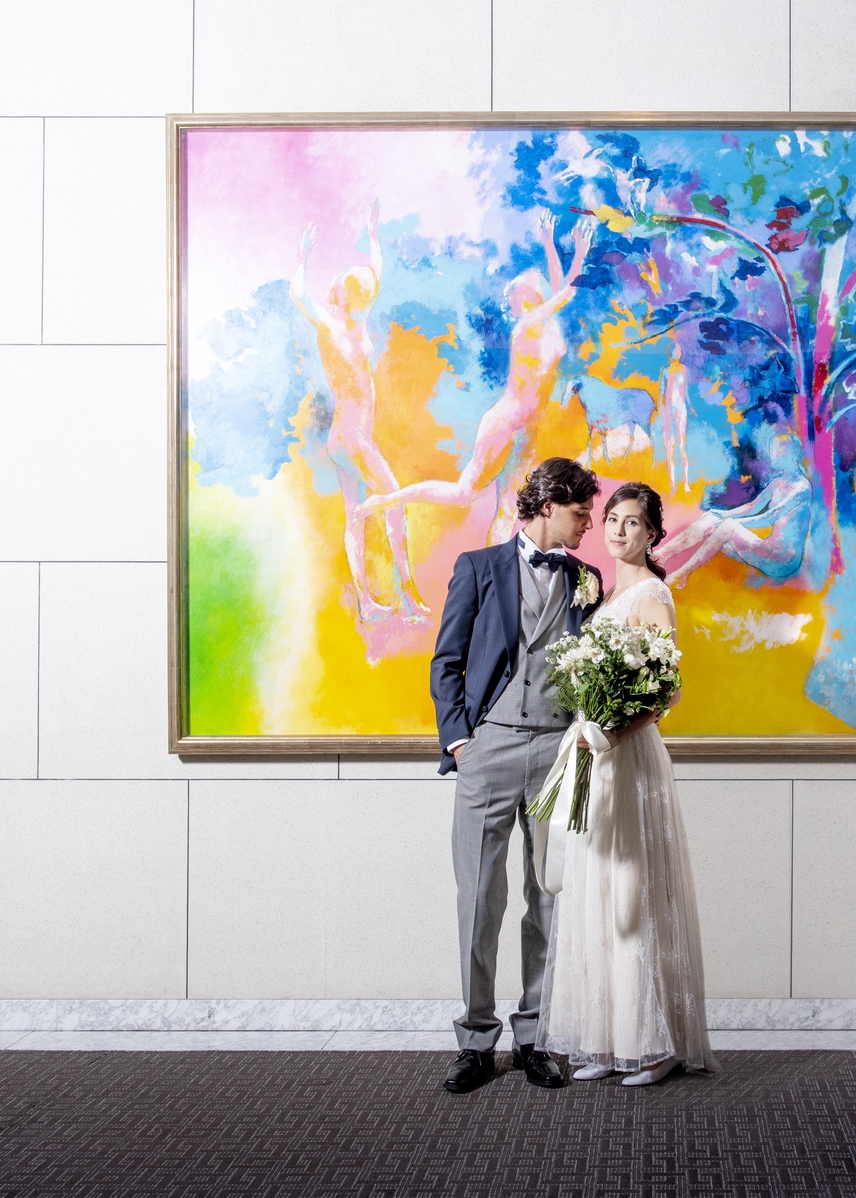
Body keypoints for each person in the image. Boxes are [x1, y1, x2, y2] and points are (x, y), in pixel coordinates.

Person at [430, 457, 606, 1095]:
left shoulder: (587, 580)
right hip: (489, 749)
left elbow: (594, 662)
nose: (589, 524)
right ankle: (476, 1040)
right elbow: (447, 660)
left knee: (549, 897)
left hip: (561, 751)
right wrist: (461, 742)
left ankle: (535, 1036)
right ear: (548, 505)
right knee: (480, 897)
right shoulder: (478, 568)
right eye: (581, 512)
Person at [541, 482, 719, 1086]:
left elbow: (666, 692)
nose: (618, 530)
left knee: (631, 894)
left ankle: (654, 1045)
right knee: (593, 891)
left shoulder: (652, 595)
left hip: (628, 759)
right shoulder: (602, 596)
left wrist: (612, 733)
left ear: (652, 534)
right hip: (593, 756)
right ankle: (604, 1039)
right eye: (612, 519)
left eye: (633, 522)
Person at [358, 212, 598, 545]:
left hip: (527, 430)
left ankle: (498, 574)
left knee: (509, 510)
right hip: (505, 422)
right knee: (463, 493)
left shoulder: (549, 324)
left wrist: (548, 242)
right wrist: (581, 253)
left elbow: (559, 288)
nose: (539, 285)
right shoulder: (527, 325)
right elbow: (566, 292)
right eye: (530, 286)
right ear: (525, 300)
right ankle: (388, 500)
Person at [290, 202, 429, 622]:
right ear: (344, 294)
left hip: (348, 437)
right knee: (393, 498)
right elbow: (299, 295)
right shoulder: (331, 328)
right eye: (356, 289)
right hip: (350, 438)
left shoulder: (356, 321)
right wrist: (303, 257)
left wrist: (373, 233)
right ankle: (407, 593)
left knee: (356, 515)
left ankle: (368, 604)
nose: (364, 293)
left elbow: (377, 275)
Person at [658, 432, 812, 587]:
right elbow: (752, 507)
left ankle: (682, 575)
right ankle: (661, 555)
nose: (773, 455)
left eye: (778, 451)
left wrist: (727, 521)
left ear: (792, 454)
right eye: (773, 450)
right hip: (767, 549)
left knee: (728, 527)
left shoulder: (801, 488)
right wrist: (722, 514)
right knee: (712, 519)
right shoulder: (777, 482)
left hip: (783, 561)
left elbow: (769, 518)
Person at [656, 340, 692, 492]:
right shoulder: (665, 371)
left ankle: (685, 483)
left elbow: (686, 391)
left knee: (681, 446)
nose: (678, 353)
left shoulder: (684, 370)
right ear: (670, 353)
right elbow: (661, 393)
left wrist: (691, 407)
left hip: (680, 411)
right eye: (676, 350)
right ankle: (672, 485)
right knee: (669, 449)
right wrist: (660, 412)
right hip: (668, 413)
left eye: (678, 351)